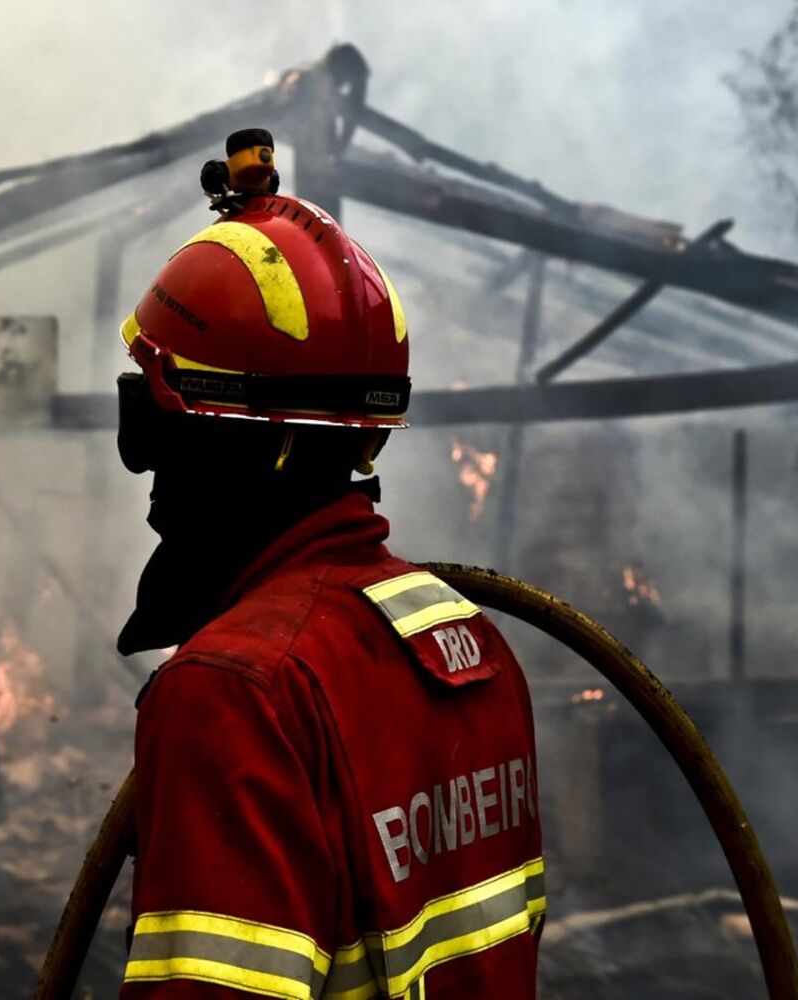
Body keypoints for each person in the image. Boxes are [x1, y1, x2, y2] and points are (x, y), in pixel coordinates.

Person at [114, 130, 545, 999]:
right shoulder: (471, 644)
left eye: (154, 414)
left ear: (211, 433)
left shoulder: (236, 692)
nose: (147, 458)